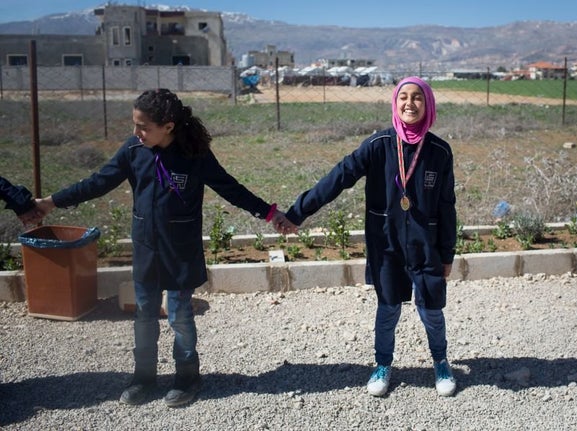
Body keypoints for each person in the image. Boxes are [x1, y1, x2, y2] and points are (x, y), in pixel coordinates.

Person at [34, 89, 292, 407]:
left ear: (168, 126)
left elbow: (230, 188)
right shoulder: (133, 150)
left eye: (143, 126)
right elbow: (98, 182)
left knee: (179, 315)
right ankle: (143, 378)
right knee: (144, 313)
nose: (136, 132)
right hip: (146, 249)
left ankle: (187, 377)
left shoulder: (194, 154)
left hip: (181, 250)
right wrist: (50, 202)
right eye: (135, 125)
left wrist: (269, 213)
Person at [283, 76, 458, 397]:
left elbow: (447, 207)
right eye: (403, 97)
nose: (409, 103)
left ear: (428, 104)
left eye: (417, 97)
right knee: (388, 309)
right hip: (387, 245)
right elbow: (339, 177)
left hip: (426, 248)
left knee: (431, 310)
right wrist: (298, 212)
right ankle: (382, 365)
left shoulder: (439, 152)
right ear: (394, 103)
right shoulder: (378, 145)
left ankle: (441, 362)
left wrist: (447, 254)